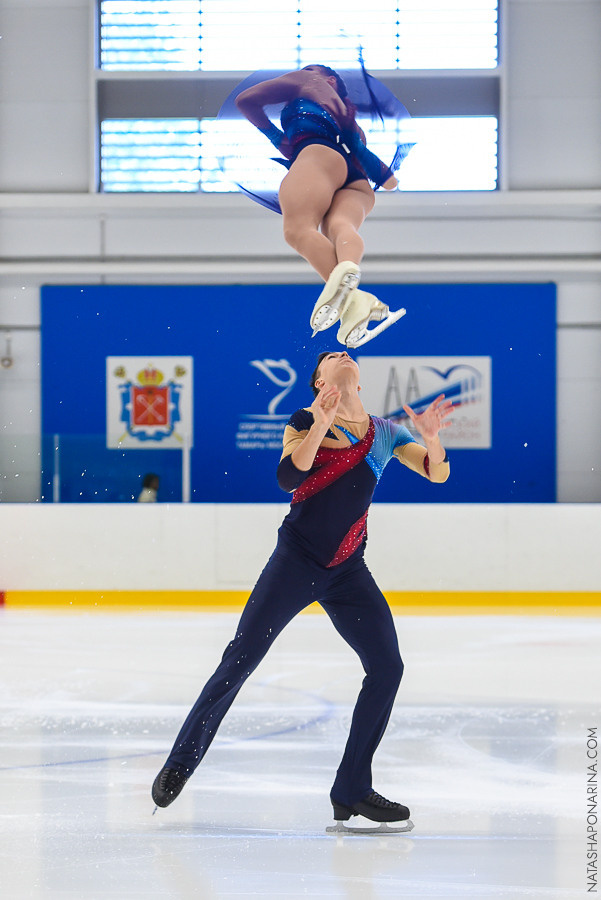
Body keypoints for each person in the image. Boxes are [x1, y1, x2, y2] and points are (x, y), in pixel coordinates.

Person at [152, 350, 452, 830]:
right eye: (332, 355)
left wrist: (433, 441)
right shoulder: (303, 419)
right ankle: (179, 763)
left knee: (387, 666)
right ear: (319, 380)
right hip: (295, 563)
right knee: (241, 658)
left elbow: (437, 473)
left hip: (348, 570)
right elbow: (288, 476)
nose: (343, 354)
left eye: (348, 352)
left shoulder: (386, 432)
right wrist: (319, 422)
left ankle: (351, 787)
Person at [233, 64, 412, 348]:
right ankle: (353, 287)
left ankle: (358, 300)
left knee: (298, 229)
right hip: (357, 183)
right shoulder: (352, 124)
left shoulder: (308, 80)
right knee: (340, 227)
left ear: (328, 79)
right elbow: (388, 182)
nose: (302, 70)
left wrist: (277, 138)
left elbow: (245, 100)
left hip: (317, 156)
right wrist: (352, 135)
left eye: (310, 68)